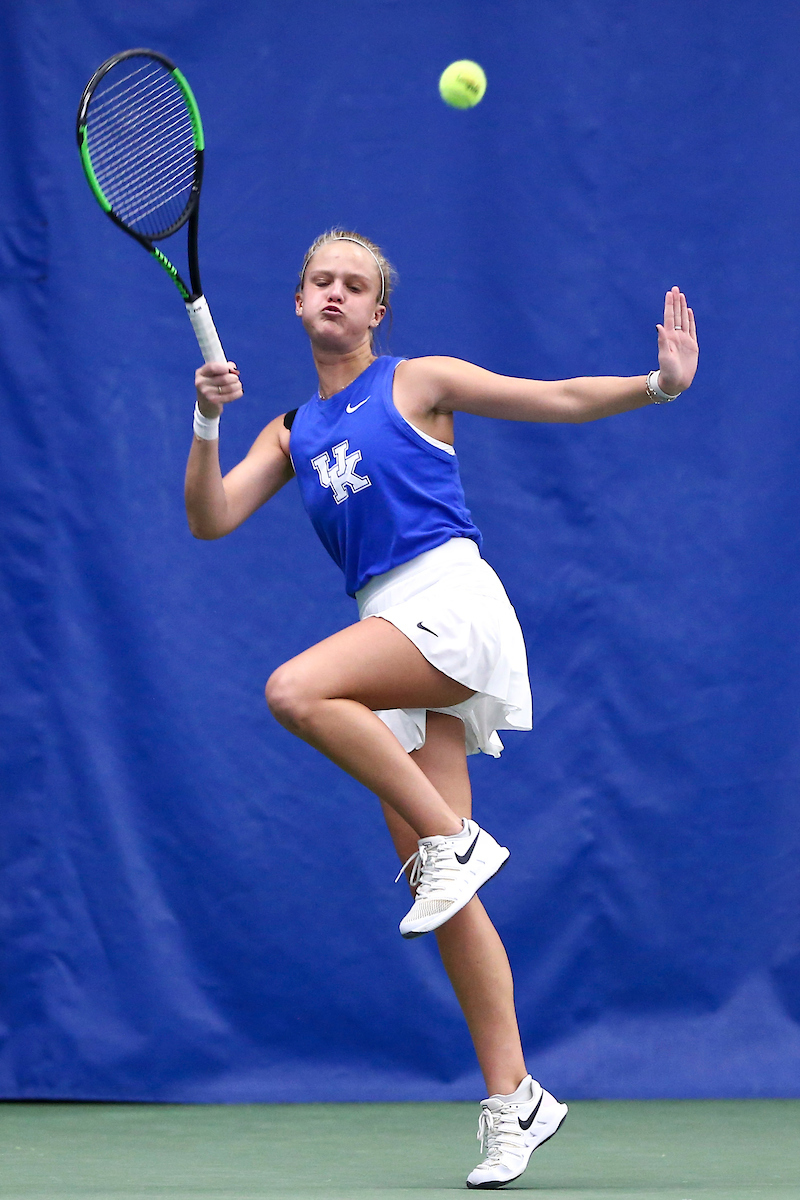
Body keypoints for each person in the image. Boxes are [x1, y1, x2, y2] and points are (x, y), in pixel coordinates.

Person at [184, 228, 699, 1190]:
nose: (336, 294)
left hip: (451, 602)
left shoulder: (420, 382)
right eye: (321, 281)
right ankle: (516, 1099)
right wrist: (208, 420)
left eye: (355, 285)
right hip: (385, 624)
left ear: (377, 311)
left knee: (297, 689)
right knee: (445, 891)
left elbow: (556, 399)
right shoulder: (289, 432)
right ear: (297, 300)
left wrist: (658, 384)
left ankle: (455, 840)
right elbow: (210, 517)